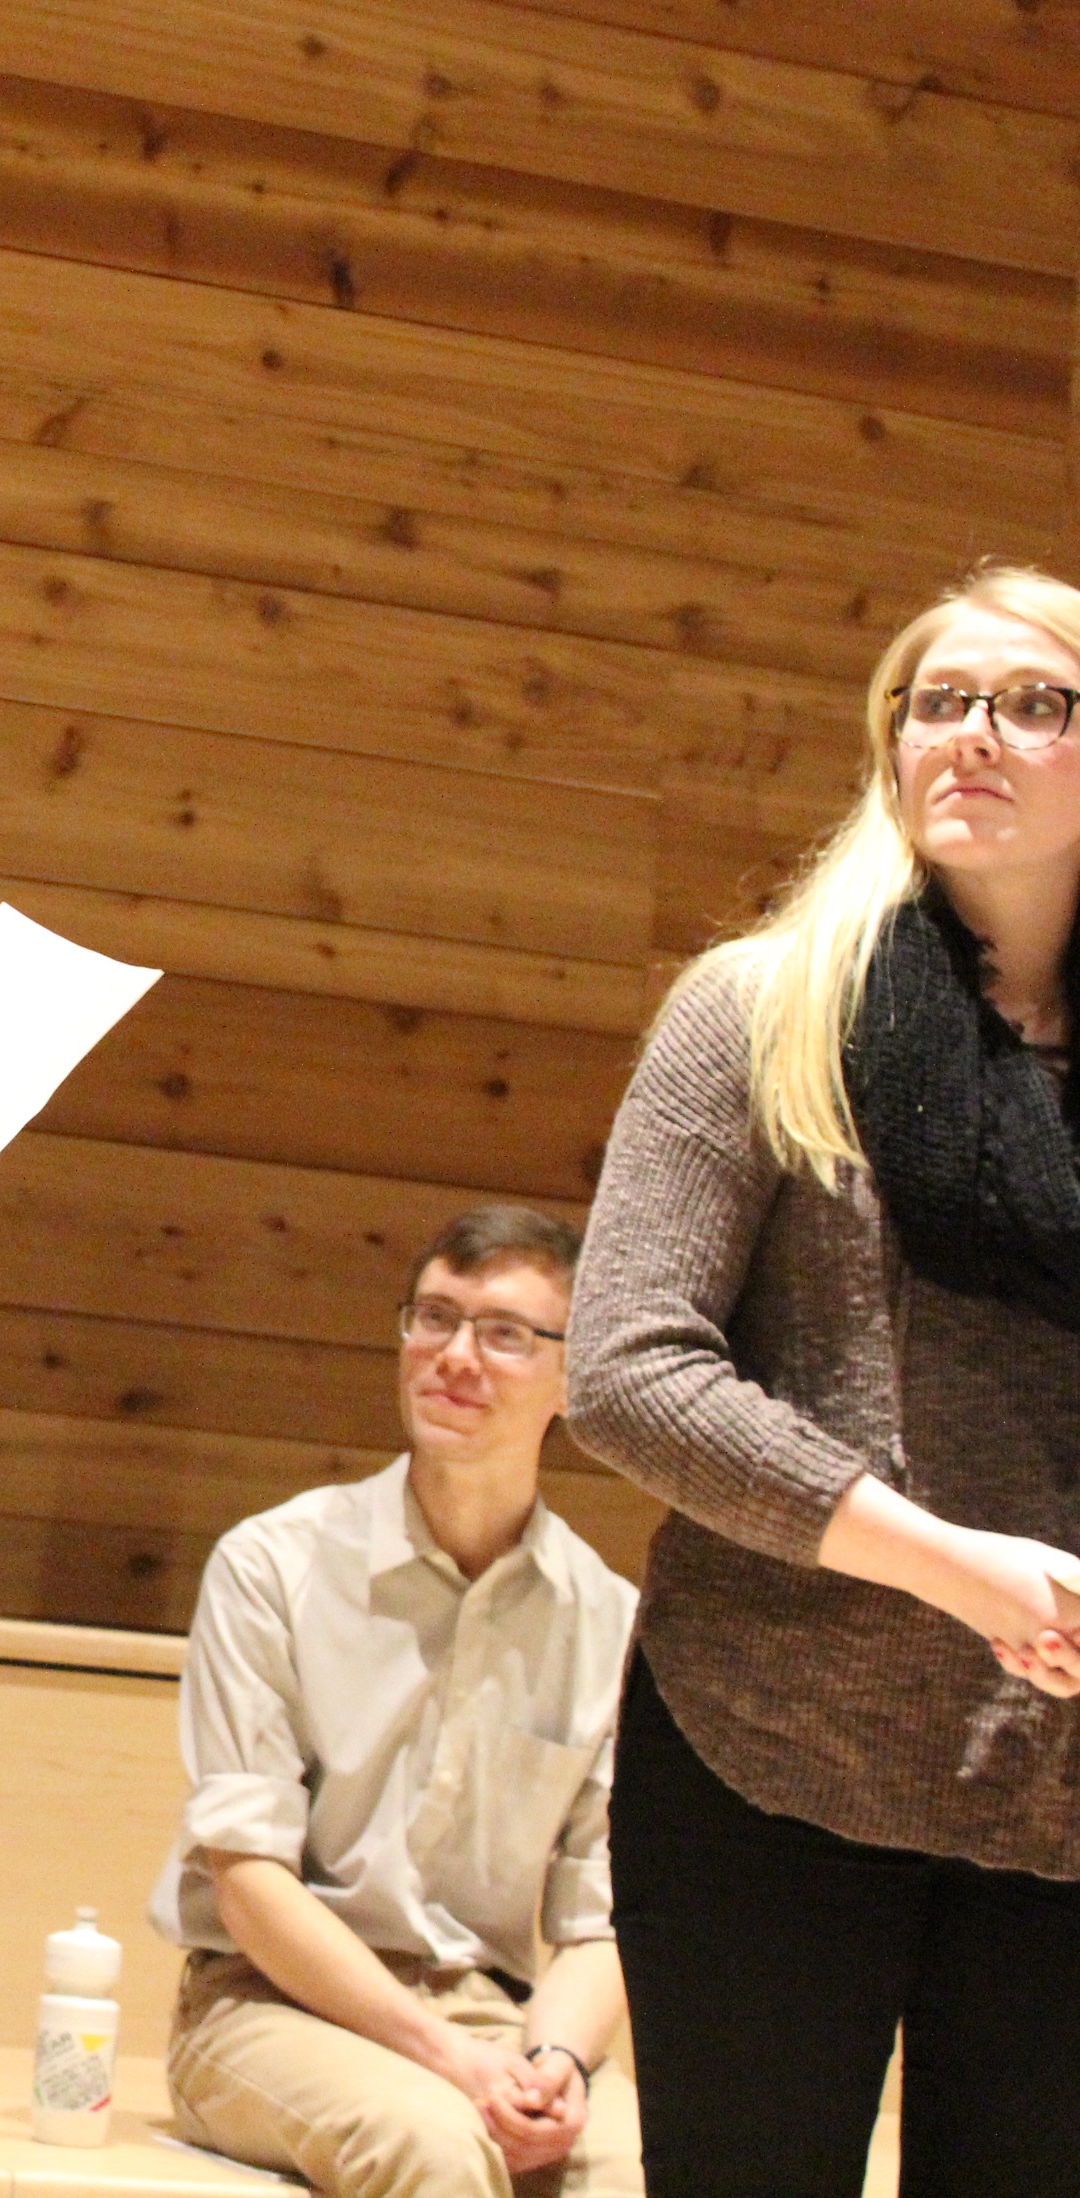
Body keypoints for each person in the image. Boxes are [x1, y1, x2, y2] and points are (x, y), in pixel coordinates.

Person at [565, 561, 1080, 2195]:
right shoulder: (754, 1010)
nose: (969, 734)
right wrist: (953, 1566)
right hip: (760, 1753)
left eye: (1030, 701)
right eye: (934, 701)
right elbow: (625, 1369)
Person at [155, 1204, 642, 2198]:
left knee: (674, 2161)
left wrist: (552, 2062)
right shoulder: (272, 1564)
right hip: (263, 2013)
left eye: (503, 1333)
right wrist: (448, 2059)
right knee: (430, 2142)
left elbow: (600, 1916)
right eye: (431, 1317)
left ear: (573, 1375)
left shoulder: (610, 1619)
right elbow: (246, 1878)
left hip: (497, 2016)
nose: (454, 1355)